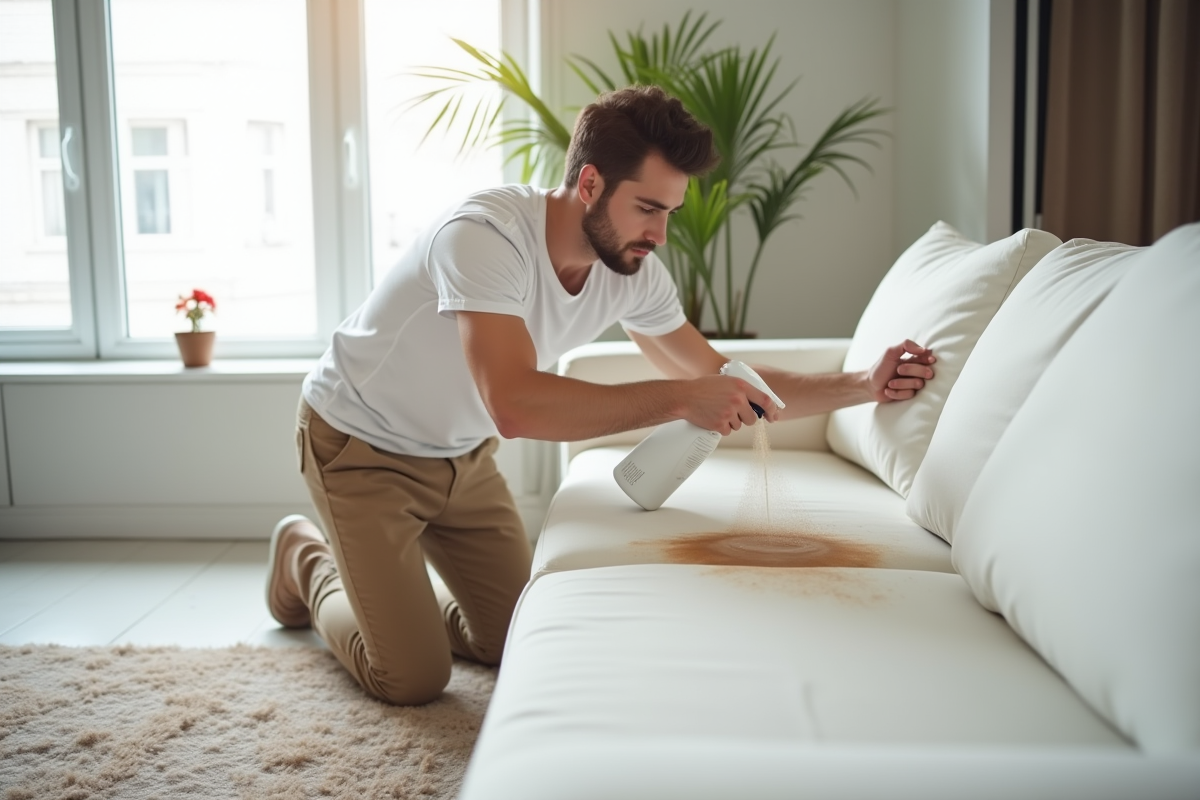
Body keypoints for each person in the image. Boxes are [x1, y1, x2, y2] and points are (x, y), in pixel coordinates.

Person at [267, 85, 935, 706]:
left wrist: (861, 384)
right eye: (647, 208)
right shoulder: (484, 237)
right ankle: (308, 560)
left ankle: (398, 605)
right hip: (360, 446)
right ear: (589, 183)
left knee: (515, 644)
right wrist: (680, 399)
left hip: (461, 458)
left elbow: (727, 376)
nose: (660, 234)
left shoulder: (632, 271)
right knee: (411, 678)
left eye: (670, 212)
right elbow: (516, 405)